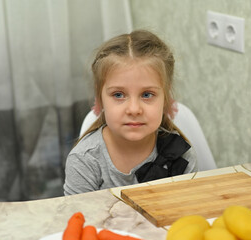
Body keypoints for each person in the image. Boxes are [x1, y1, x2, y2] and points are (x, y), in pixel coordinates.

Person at [64, 30, 198, 195]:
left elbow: (188, 214)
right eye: (118, 95)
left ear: (165, 98)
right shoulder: (84, 161)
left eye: (147, 95)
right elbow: (80, 219)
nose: (134, 109)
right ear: (100, 99)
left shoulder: (181, 154)